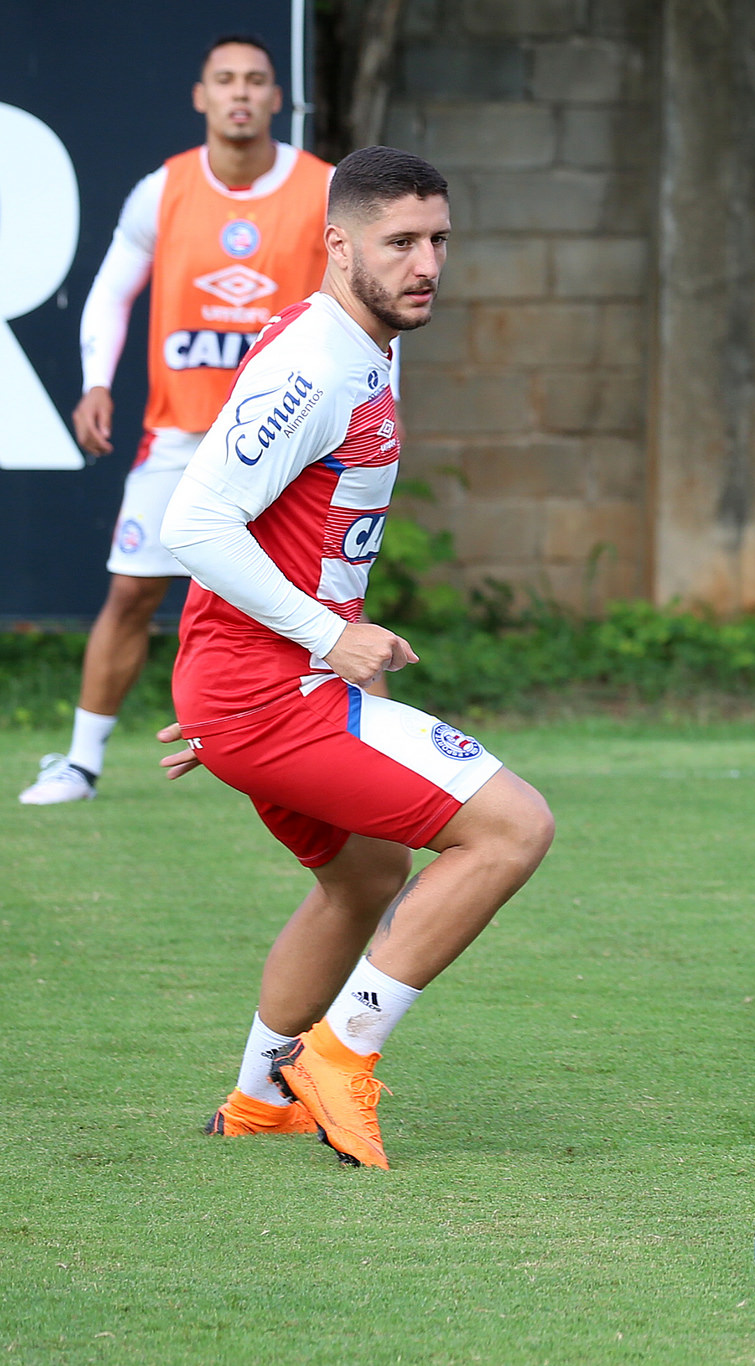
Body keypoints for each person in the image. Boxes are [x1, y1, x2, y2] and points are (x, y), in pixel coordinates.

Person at [158, 146, 556, 1168]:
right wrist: (318, 641)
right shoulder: (314, 362)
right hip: (271, 687)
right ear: (339, 247)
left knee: (366, 873)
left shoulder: (372, 341)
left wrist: (223, 692)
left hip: (250, 687)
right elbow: (193, 521)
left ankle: (260, 1100)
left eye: (438, 241)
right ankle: (339, 1054)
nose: (427, 263)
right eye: (400, 243)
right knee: (512, 828)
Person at [20, 34, 332, 806]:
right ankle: (82, 762)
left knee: (321, 611)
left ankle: (345, 761)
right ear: (200, 96)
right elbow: (109, 292)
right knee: (130, 594)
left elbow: (370, 310)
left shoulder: (326, 191)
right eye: (224, 80)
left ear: (276, 98)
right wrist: (96, 382)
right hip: (184, 434)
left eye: (255, 81)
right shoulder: (163, 190)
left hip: (290, 439)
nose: (239, 94)